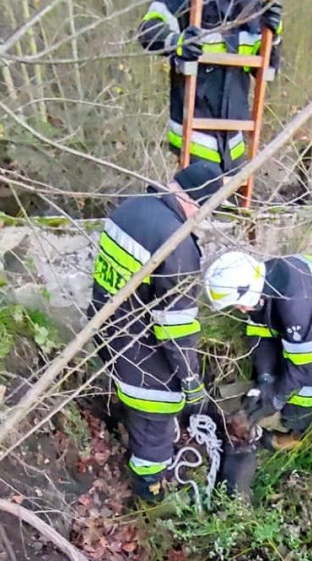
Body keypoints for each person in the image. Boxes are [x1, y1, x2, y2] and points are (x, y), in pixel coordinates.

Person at [90, 161, 223, 502]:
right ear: (201, 203)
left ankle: (125, 420)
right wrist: (191, 384)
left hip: (106, 326)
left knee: (133, 393)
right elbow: (175, 328)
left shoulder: (131, 207)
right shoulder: (177, 244)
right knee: (157, 409)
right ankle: (150, 494)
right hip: (137, 345)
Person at [137, 0, 283, 171]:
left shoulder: (251, 2)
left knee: (230, 214)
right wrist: (177, 43)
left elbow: (266, 71)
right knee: (195, 210)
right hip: (195, 139)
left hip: (235, 144)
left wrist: (274, 37)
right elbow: (148, 29)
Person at [203, 250, 312, 447]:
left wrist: (274, 400)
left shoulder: (296, 307)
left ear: (250, 291)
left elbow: (300, 369)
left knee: (296, 367)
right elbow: (260, 335)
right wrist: (264, 379)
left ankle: (296, 429)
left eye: (239, 304)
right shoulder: (264, 278)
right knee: (275, 362)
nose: (241, 310)